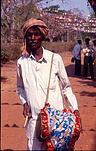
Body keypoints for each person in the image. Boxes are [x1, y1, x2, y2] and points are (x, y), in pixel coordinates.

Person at [17, 18, 81, 150]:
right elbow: (20, 87)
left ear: (42, 37)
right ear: (26, 38)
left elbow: (66, 87)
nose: (33, 38)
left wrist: (75, 109)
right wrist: (24, 102)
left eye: (37, 34)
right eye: (29, 35)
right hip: (34, 122)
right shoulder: (21, 63)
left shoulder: (54, 59)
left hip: (56, 123)